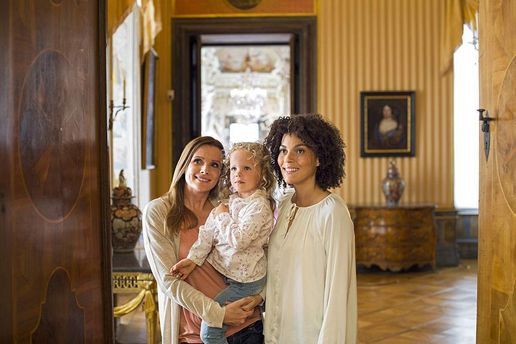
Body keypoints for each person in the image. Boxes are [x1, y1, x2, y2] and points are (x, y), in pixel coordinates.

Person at [142, 136, 264, 344]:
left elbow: (260, 254)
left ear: (220, 173)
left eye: (214, 165)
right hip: (195, 334)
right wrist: (218, 314)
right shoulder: (158, 212)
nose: (205, 169)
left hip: (246, 326)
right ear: (184, 164)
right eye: (197, 161)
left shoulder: (228, 207)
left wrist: (259, 297)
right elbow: (168, 281)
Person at [263, 114, 357, 343]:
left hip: (312, 334)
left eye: (300, 150)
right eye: (283, 150)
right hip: (276, 329)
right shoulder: (283, 203)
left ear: (319, 158)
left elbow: (338, 293)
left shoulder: (333, 213)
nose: (288, 159)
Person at [171, 142, 275, 344]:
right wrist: (193, 260)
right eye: (234, 168)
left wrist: (223, 217)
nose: (238, 174)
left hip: (247, 282)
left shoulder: (259, 207)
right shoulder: (231, 201)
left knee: (210, 332)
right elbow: (207, 233)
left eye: (247, 168)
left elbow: (239, 241)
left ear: (262, 174)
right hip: (231, 277)